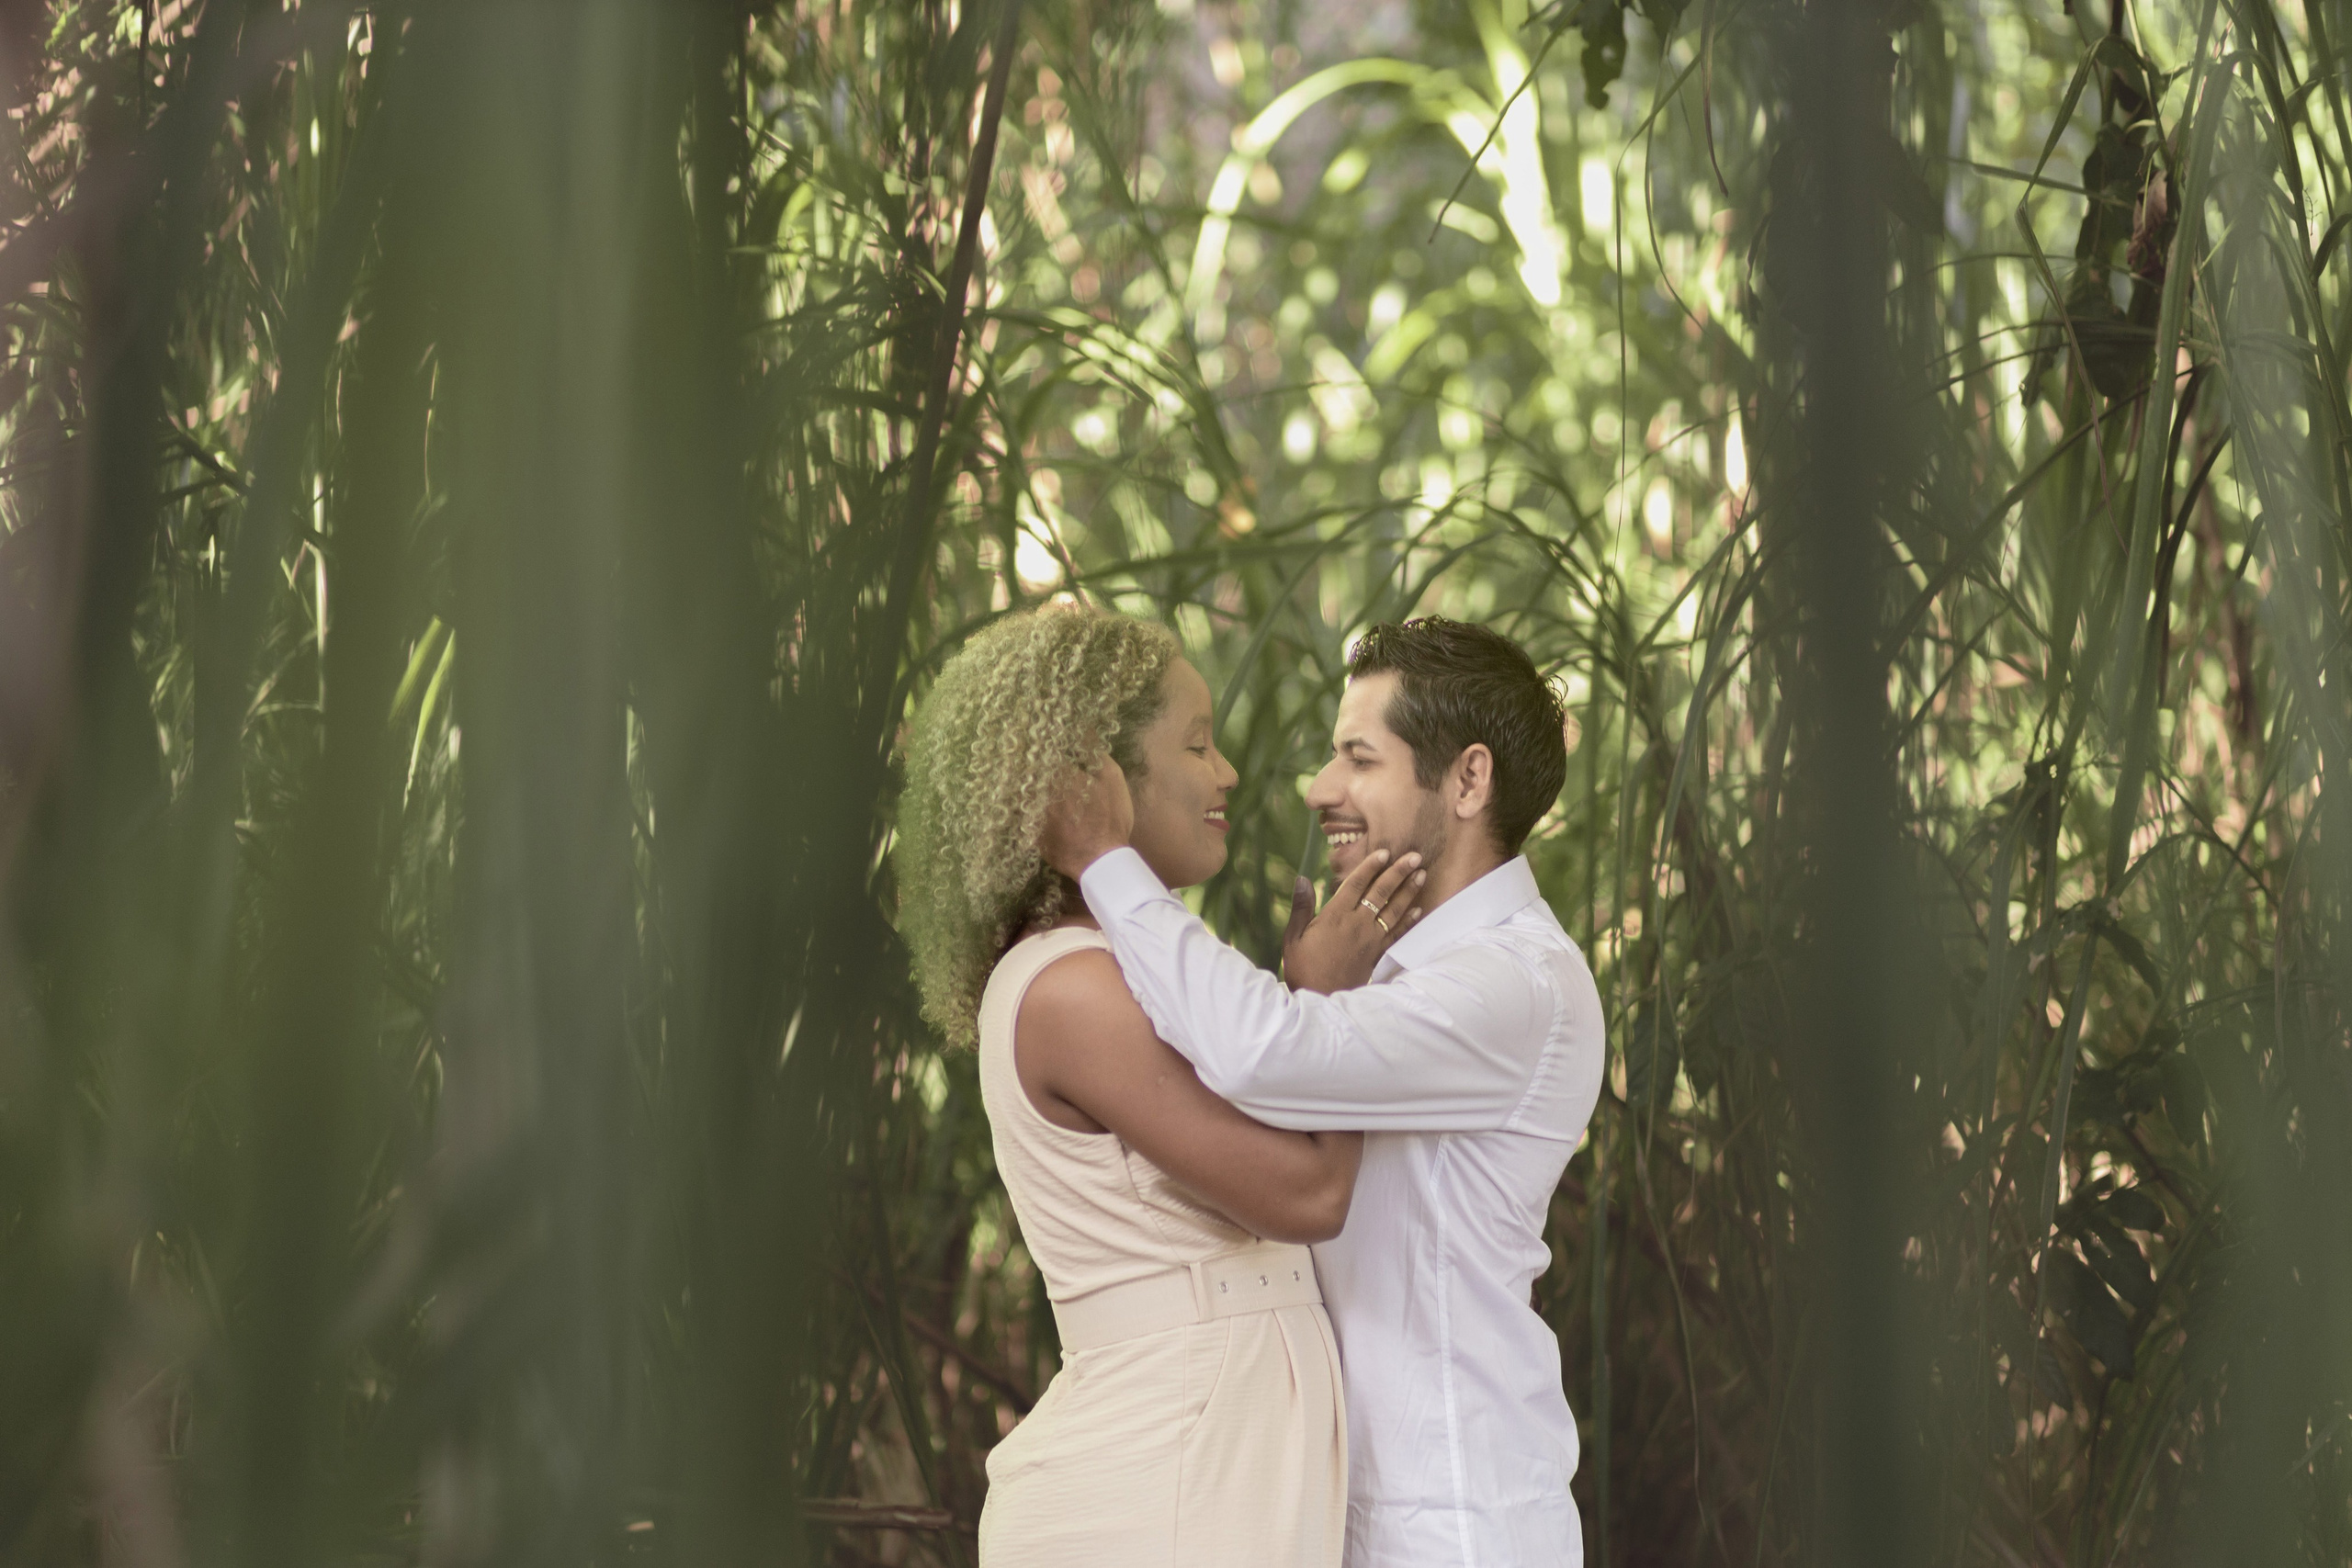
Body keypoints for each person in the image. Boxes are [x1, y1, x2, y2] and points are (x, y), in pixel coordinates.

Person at [1042, 615, 1606, 1568]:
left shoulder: (1517, 984)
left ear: (1469, 781)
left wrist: (1106, 864)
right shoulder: (1396, 969)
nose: (1320, 790)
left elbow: (1267, 1054)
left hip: (1454, 1526)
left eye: (1358, 758)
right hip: (1337, 1518)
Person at [894, 604, 1428, 1568]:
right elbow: (1307, 1191)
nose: (1225, 773)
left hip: (1210, 1471)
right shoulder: (1069, 987)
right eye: (1195, 744)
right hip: (1156, 1490)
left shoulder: (1123, 971)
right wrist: (1331, 1014)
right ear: (1085, 782)